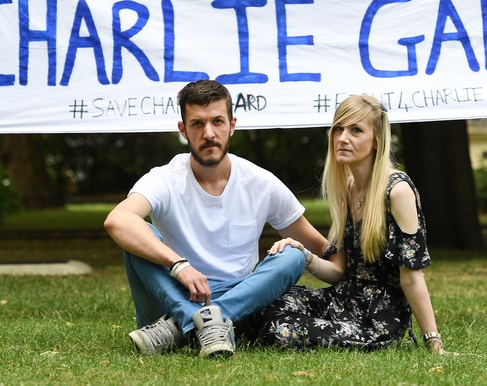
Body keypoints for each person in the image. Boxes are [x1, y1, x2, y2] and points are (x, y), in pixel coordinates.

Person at [103, 79, 329, 358]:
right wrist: (179, 265)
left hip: (239, 299)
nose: (209, 133)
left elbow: (321, 248)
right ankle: (195, 319)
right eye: (197, 124)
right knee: (137, 234)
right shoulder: (164, 178)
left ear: (232, 125)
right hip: (170, 298)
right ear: (183, 130)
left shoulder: (261, 182)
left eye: (217, 122)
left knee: (294, 255)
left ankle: (181, 328)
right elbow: (118, 220)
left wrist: (364, 265)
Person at [247, 95, 444, 353]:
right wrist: (303, 254)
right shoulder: (348, 186)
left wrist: (433, 341)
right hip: (342, 301)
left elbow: (412, 278)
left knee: (279, 330)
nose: (342, 138)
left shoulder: (397, 190)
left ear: (377, 141)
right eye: (338, 128)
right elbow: (339, 272)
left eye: (356, 130)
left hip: (377, 320)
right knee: (264, 303)